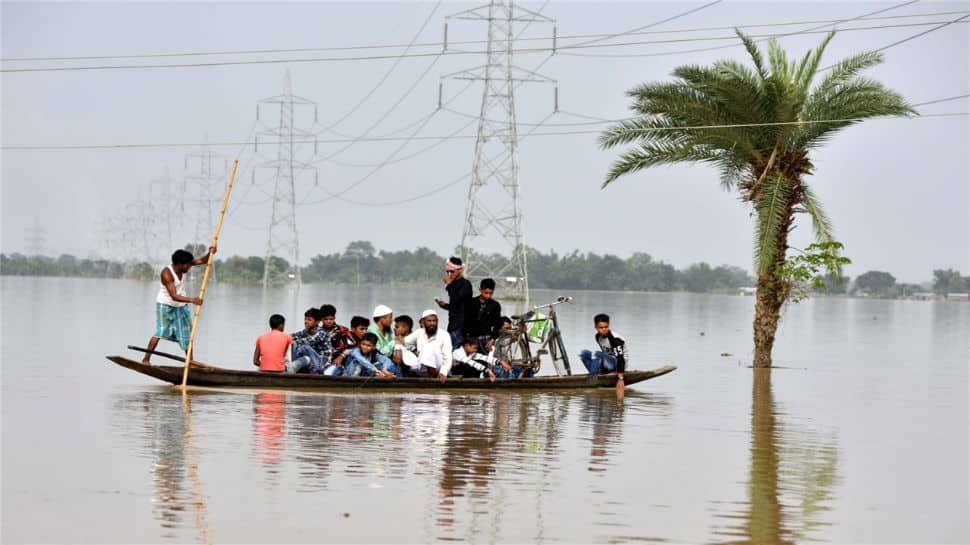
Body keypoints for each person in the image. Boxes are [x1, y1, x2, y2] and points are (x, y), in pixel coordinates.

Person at [143, 247, 215, 364]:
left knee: (188, 334)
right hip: (166, 305)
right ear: (180, 264)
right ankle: (146, 359)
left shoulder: (185, 265)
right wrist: (192, 300)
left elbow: (203, 261)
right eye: (188, 265)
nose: (189, 267)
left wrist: (211, 252)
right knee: (161, 332)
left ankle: (190, 363)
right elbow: (173, 296)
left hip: (181, 306)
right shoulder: (167, 274)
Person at [402, 309, 454, 382]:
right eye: (429, 321)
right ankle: (405, 378)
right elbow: (403, 342)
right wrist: (398, 348)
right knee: (402, 350)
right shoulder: (419, 332)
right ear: (423, 322)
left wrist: (443, 372)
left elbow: (448, 356)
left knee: (428, 347)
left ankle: (431, 380)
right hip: (422, 368)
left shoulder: (444, 335)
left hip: (438, 367)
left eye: (434, 321)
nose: (432, 323)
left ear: (437, 321)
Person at [434, 256, 472, 349]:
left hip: (461, 326)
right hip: (452, 324)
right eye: (447, 272)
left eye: (452, 271)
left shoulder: (465, 284)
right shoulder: (453, 283)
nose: (449, 274)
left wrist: (448, 284)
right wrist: (444, 305)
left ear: (459, 270)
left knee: (455, 352)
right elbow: (455, 305)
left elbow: (457, 300)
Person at [579, 314, 627, 382]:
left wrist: (620, 374)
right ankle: (597, 374)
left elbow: (620, 358)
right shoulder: (598, 337)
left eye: (606, 327)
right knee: (584, 354)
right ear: (596, 327)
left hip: (619, 365)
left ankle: (592, 377)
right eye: (601, 327)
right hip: (607, 362)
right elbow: (604, 352)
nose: (604, 329)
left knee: (597, 354)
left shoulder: (615, 339)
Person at [462, 278, 502, 354]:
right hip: (471, 341)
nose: (488, 296)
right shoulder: (471, 303)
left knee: (485, 364)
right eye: (486, 293)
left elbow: (497, 325)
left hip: (486, 341)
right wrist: (466, 340)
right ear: (480, 290)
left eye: (491, 293)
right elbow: (465, 322)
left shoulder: (495, 305)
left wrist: (492, 339)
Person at [290, 307, 328, 373]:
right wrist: (282, 338)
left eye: (309, 320)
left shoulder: (322, 333)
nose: (306, 322)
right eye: (305, 319)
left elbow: (310, 340)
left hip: (322, 364)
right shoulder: (305, 331)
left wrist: (292, 341)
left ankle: (316, 371)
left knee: (304, 347)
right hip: (311, 362)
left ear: (317, 322)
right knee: (293, 344)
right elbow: (292, 336)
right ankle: (293, 367)